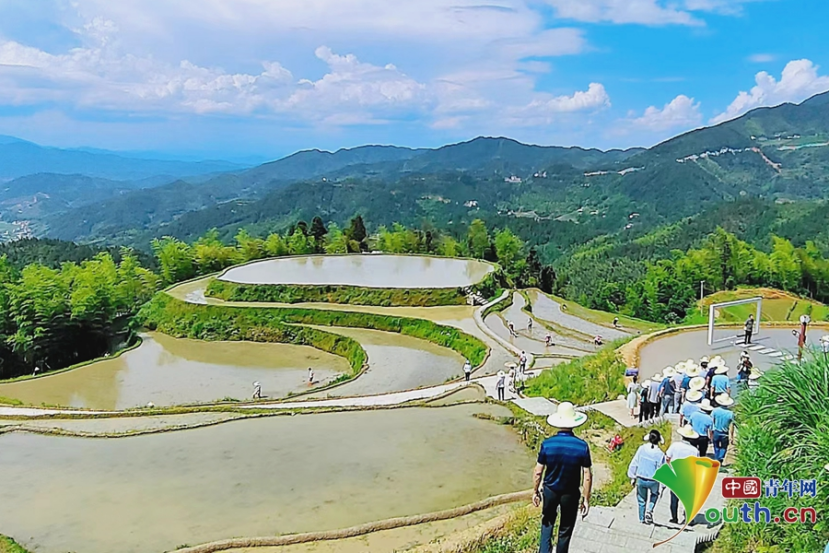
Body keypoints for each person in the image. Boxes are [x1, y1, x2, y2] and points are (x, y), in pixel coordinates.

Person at [533, 402, 592, 553]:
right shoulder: (582, 446)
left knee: (547, 523)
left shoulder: (547, 444)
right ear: (574, 423)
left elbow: (538, 471)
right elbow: (587, 475)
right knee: (565, 528)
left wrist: (535, 491)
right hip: (570, 493)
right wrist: (586, 498)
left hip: (550, 491)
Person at [628, 429, 666, 525]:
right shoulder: (660, 454)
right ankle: (649, 510)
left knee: (641, 499)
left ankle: (641, 519)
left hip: (641, 478)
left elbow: (635, 462)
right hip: (653, 480)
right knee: (654, 494)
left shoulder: (642, 449)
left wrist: (632, 477)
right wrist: (663, 485)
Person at [666, 425, 700, 524]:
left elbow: (667, 458)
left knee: (674, 499)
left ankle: (674, 518)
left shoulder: (675, 446)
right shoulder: (695, 451)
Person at [711, 394, 735, 464]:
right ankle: (720, 459)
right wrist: (732, 436)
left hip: (716, 431)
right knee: (724, 447)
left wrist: (711, 431)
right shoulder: (730, 413)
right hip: (725, 432)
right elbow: (732, 425)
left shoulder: (715, 411)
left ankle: (716, 458)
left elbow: (712, 421)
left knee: (716, 446)